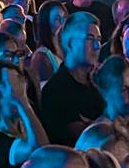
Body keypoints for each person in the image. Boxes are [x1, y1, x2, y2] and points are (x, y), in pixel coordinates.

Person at [41, 13, 107, 145]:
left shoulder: (99, 82)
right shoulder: (56, 90)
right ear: (70, 44)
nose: (97, 46)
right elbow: (89, 139)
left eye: (99, 40)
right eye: (89, 39)